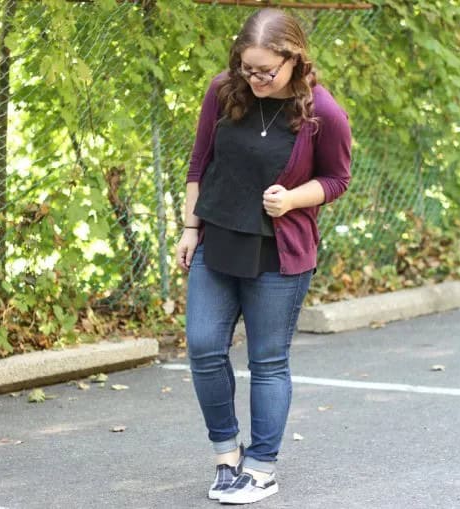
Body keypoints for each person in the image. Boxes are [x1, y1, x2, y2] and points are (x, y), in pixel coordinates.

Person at [175, 8, 351, 505]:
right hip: (218, 239)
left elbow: (338, 178)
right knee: (204, 346)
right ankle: (226, 454)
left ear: (293, 60)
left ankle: (262, 466)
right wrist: (190, 228)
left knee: (268, 360)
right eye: (247, 68)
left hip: (280, 251)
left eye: (265, 71)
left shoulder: (323, 113)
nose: (254, 79)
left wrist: (292, 199)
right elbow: (199, 161)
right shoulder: (223, 90)